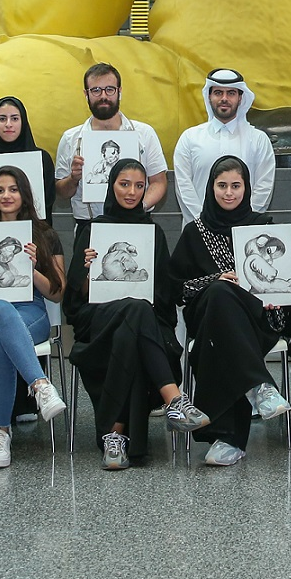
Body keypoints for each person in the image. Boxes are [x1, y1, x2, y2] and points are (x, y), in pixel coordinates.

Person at [64, 159, 203, 469]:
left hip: (142, 324)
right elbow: (76, 298)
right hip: (97, 320)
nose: (131, 192)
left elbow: (165, 296)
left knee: (134, 326)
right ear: (112, 185)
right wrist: (88, 270)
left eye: (139, 185)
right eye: (124, 184)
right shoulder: (91, 229)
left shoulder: (153, 233)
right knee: (136, 313)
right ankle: (174, 400)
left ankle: (115, 437)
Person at [169, 156, 291, 466]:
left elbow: (281, 280)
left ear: (246, 188)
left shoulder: (264, 227)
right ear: (211, 188)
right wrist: (216, 278)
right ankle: (259, 386)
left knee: (222, 324)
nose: (229, 193)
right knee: (221, 294)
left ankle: (228, 438)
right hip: (207, 315)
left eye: (236, 186)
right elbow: (176, 288)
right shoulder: (195, 232)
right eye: (222, 185)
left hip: (256, 316)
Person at [0, 166, 68, 468]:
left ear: (25, 194)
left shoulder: (45, 234)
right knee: (0, 309)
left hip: (30, 313)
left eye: (13, 189)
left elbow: (57, 293)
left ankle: (0, 432)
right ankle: (41, 386)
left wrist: (30, 269)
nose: (6, 195)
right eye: (0, 190)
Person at [55, 62, 169, 221]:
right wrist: (73, 179)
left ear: (119, 92)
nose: (103, 96)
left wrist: (138, 208)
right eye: (95, 90)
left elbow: (158, 182)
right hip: (88, 224)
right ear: (86, 94)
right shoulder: (70, 138)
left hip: (136, 221)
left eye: (110, 89)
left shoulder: (144, 134)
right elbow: (61, 192)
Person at [173, 68, 277, 223]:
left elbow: (264, 188)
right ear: (209, 96)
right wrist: (203, 223)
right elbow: (184, 187)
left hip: (244, 232)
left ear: (240, 98)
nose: (224, 98)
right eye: (218, 93)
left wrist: (245, 222)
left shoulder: (258, 140)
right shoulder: (190, 138)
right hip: (199, 232)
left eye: (231, 93)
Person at [0, 96, 56, 224]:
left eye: (14, 118)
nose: (8, 124)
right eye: (2, 119)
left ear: (23, 121)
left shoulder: (42, 158)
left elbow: (46, 206)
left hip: (33, 235)